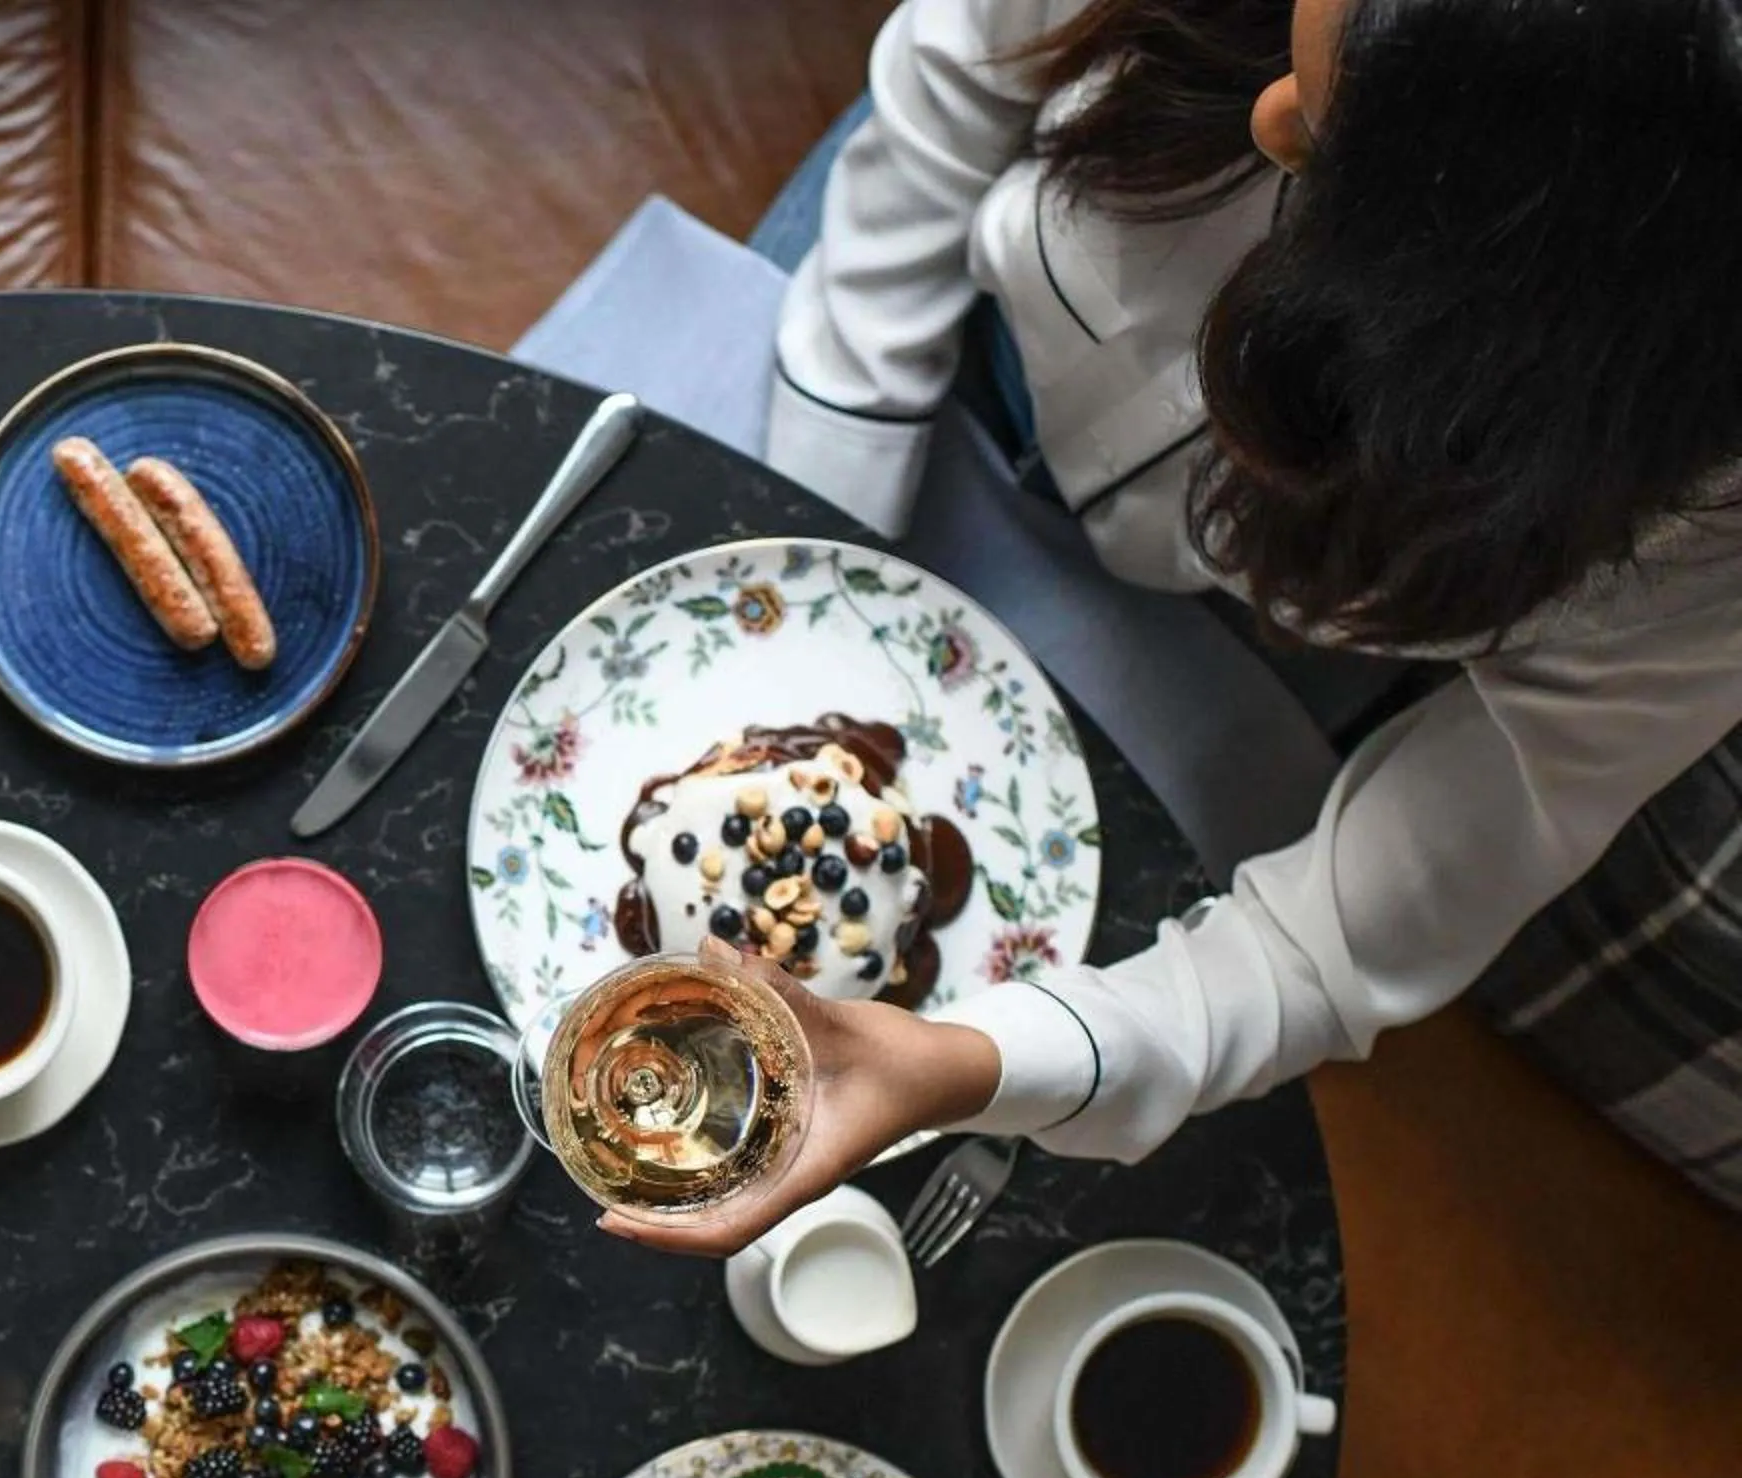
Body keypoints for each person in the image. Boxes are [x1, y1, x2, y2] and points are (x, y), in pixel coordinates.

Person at [603, 0, 1742, 1252]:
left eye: (1332, 139)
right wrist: (830, 521)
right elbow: (947, 88)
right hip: (921, 290)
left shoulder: (1705, 528)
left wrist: (966, 1063)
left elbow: (1337, 938)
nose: (1267, 119)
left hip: (1247, 630)